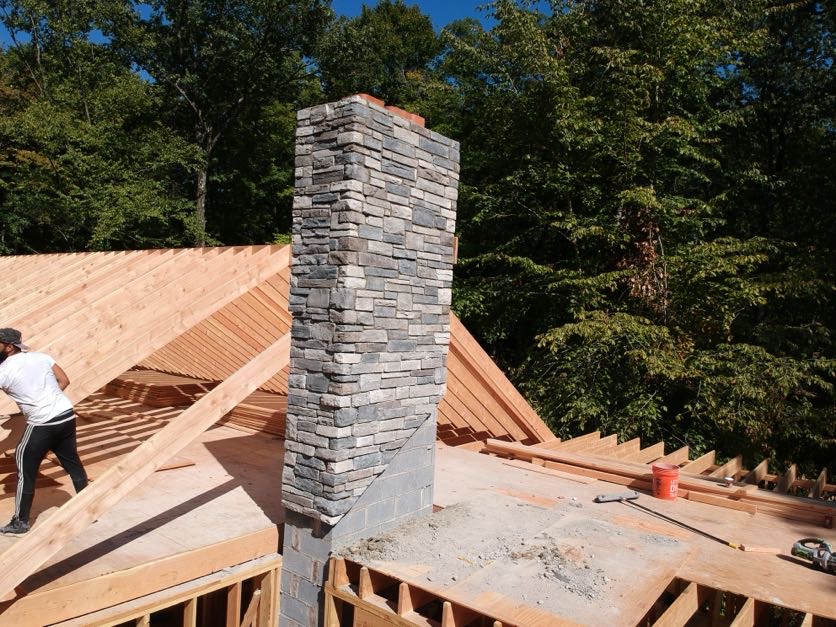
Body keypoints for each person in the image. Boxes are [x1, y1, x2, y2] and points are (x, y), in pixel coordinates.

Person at [0, 328, 88, 535]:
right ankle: (88, 507)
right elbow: (64, 381)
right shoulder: (42, 357)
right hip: (65, 415)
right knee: (72, 462)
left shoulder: (3, 371)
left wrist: (40, 406)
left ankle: (20, 522)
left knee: (24, 467)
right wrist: (48, 401)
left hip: (42, 423)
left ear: (9, 347)